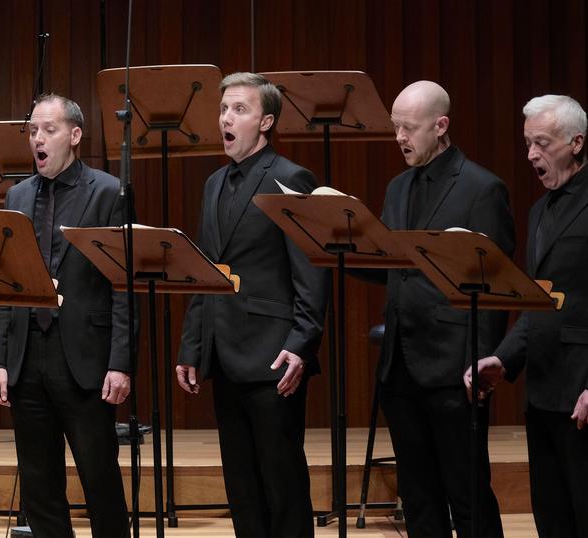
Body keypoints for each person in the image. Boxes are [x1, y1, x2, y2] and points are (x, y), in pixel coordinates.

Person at [466, 94, 588, 538]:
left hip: (586, 388)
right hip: (543, 383)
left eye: (541, 143)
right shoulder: (539, 210)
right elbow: (537, 303)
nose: (531, 155)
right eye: (528, 144)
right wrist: (503, 360)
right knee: (551, 510)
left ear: (576, 142)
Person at [175, 72, 328, 538]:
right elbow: (206, 269)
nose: (226, 118)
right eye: (223, 110)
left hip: (273, 354)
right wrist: (191, 345)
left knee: (281, 482)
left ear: (266, 122)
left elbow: (310, 273)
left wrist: (301, 344)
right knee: (241, 483)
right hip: (224, 350)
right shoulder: (214, 183)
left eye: (238, 110)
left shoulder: (289, 177)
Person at [366, 80, 514, 537]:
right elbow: (394, 268)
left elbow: (495, 286)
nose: (400, 138)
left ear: (441, 125)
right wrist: (344, 250)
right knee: (418, 496)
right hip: (400, 367)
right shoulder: (397, 186)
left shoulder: (482, 188)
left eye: (408, 128)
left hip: (454, 368)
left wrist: (483, 360)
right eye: (395, 128)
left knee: (467, 494)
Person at [0, 94, 133, 538]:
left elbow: (123, 284)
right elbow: (5, 280)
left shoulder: (108, 191)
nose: (38, 139)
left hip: (84, 357)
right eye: (32, 130)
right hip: (28, 357)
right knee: (38, 483)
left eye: (48, 129)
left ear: (74, 135)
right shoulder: (18, 194)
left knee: (99, 479)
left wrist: (120, 362)